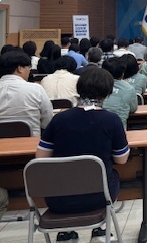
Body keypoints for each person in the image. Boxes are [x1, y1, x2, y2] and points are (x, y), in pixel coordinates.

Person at [36, 67, 130, 243]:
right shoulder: (112, 120)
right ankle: (101, 231)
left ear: (79, 89)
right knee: (113, 175)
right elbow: (122, 159)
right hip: (99, 197)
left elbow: (40, 158)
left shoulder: (59, 119)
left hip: (57, 199)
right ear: (107, 92)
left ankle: (66, 233)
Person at [0, 50, 53, 136]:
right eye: (28, 67)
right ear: (20, 68)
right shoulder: (36, 89)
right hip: (31, 145)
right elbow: (48, 121)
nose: (29, 71)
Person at [102, 57, 138, 127]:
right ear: (122, 74)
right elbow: (133, 109)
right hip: (119, 129)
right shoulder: (129, 89)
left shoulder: (96, 86)